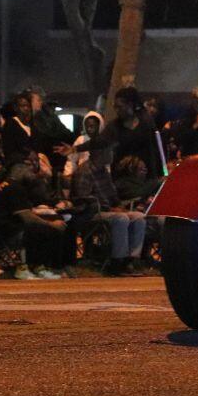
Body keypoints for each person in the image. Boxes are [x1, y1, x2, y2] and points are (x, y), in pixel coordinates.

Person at [70, 112, 147, 276]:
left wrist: (119, 206)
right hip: (91, 214)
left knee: (138, 217)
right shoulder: (84, 171)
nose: (112, 155)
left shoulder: (104, 172)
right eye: (110, 151)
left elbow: (113, 196)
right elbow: (83, 200)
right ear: (101, 152)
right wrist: (112, 209)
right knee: (121, 218)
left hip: (107, 210)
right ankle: (117, 261)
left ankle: (131, 259)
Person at [56, 87, 162, 192]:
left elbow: (155, 149)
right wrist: (75, 149)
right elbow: (99, 141)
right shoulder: (115, 127)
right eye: (115, 107)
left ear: (130, 105)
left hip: (146, 174)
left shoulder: (146, 122)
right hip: (124, 176)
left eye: (120, 107)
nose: (117, 110)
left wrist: (158, 173)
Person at [0, 161, 71, 279]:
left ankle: (37, 267)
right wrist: (51, 224)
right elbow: (26, 216)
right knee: (48, 230)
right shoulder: (15, 188)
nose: (31, 174)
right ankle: (40, 267)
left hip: (2, 227)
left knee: (43, 227)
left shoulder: (5, 184)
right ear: (20, 171)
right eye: (28, 171)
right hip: (11, 231)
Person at [1, 92, 40, 170]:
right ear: (16, 108)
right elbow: (9, 150)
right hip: (17, 165)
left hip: (34, 164)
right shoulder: (11, 124)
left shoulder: (33, 126)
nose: (26, 108)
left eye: (28, 106)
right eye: (22, 106)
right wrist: (26, 156)